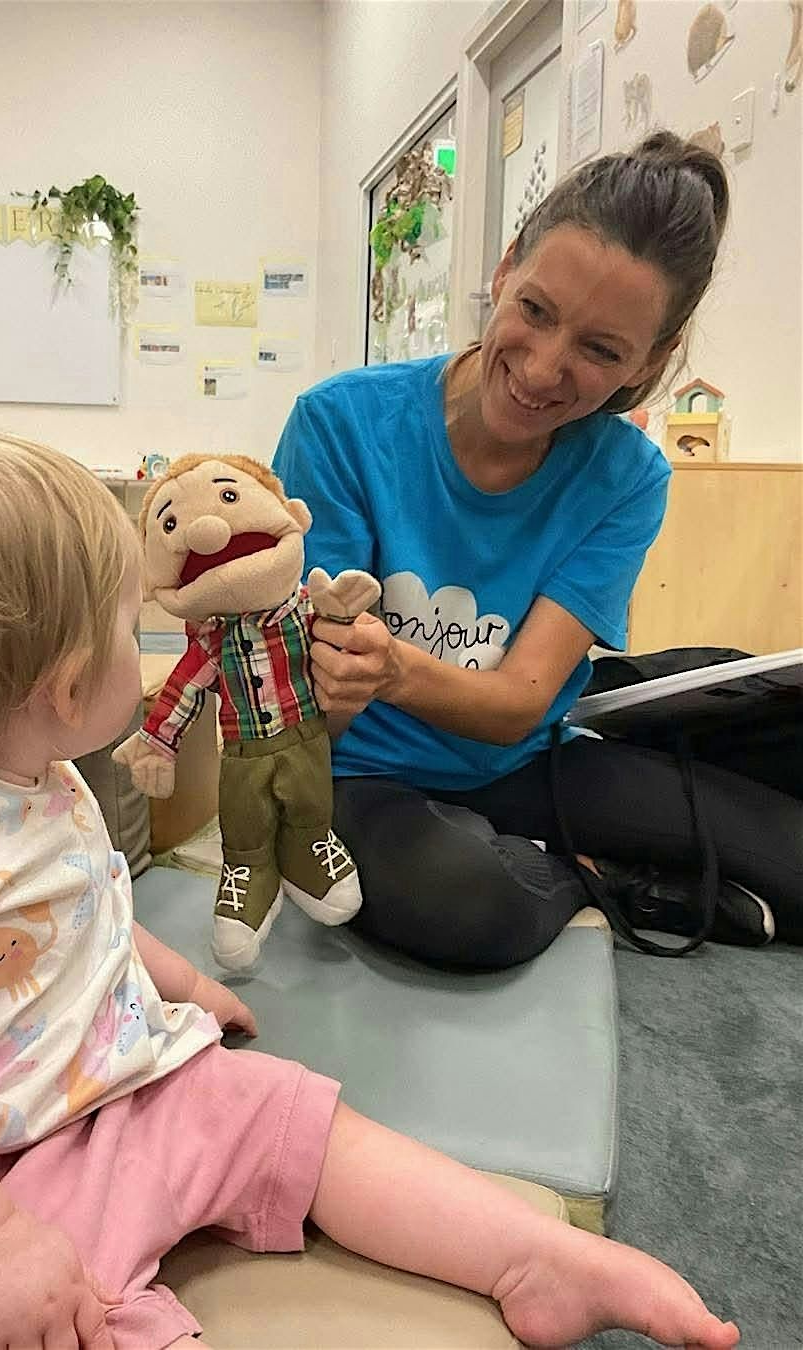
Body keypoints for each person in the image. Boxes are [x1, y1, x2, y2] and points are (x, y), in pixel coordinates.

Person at [0, 431, 739, 1350]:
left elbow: (69, 917)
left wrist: (176, 982)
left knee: (290, 1116)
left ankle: (527, 1256)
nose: (150, 641)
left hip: (104, 1098)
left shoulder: (43, 779)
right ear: (69, 683)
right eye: (131, 626)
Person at [273, 131, 803, 970]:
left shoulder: (628, 477)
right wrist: (332, 692)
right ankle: (601, 881)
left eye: (601, 351)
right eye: (536, 311)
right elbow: (308, 713)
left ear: (652, 361)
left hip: (527, 759)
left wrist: (394, 670)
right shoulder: (339, 424)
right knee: (465, 905)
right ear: (505, 268)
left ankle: (589, 861)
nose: (544, 369)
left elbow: (521, 701)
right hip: (363, 776)